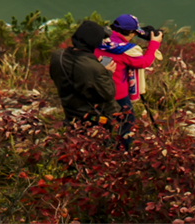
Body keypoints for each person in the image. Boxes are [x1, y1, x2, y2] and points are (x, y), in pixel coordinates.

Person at [97, 13, 163, 148]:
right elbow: (144, 62)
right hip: (118, 92)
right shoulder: (125, 51)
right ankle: (123, 150)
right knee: (127, 121)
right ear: (132, 33)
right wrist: (154, 44)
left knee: (104, 120)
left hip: (98, 88)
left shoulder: (98, 40)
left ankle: (101, 146)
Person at [48, 21, 116, 130]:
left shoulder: (58, 56)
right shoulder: (94, 68)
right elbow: (108, 93)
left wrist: (94, 63)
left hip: (69, 110)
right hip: (92, 118)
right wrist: (107, 72)